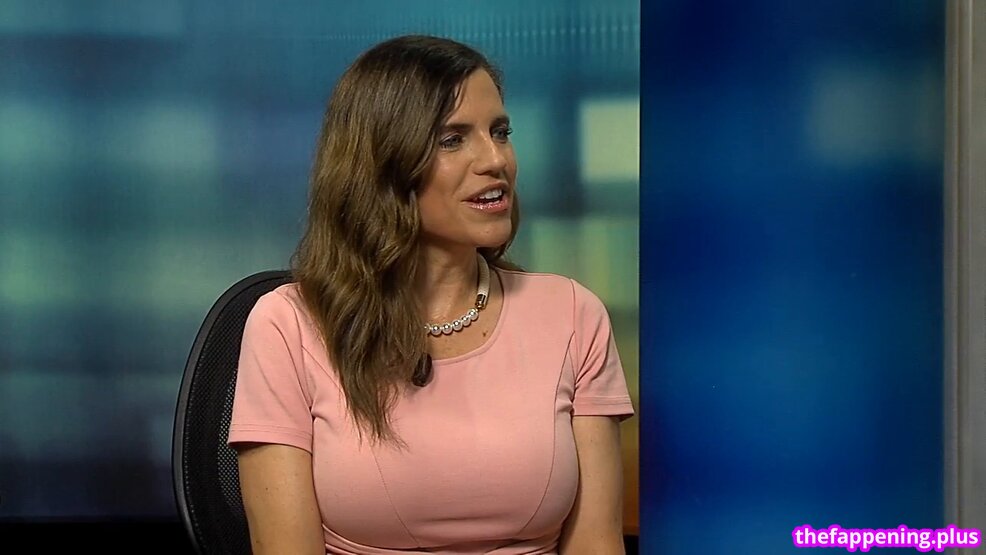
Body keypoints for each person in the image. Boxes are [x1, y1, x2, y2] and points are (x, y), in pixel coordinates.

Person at [227, 34, 635, 555]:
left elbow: (596, 543)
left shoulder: (573, 314)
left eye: (500, 132)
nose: (496, 160)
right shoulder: (287, 325)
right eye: (452, 139)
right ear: (382, 165)